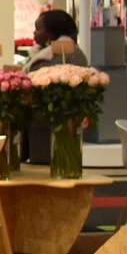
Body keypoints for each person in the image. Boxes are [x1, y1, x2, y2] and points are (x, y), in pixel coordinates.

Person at [22, 9, 88, 164]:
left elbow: (76, 84)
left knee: (56, 161)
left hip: (58, 120)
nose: (34, 33)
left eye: (39, 29)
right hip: (37, 121)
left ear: (51, 32)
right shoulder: (39, 53)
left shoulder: (72, 53)